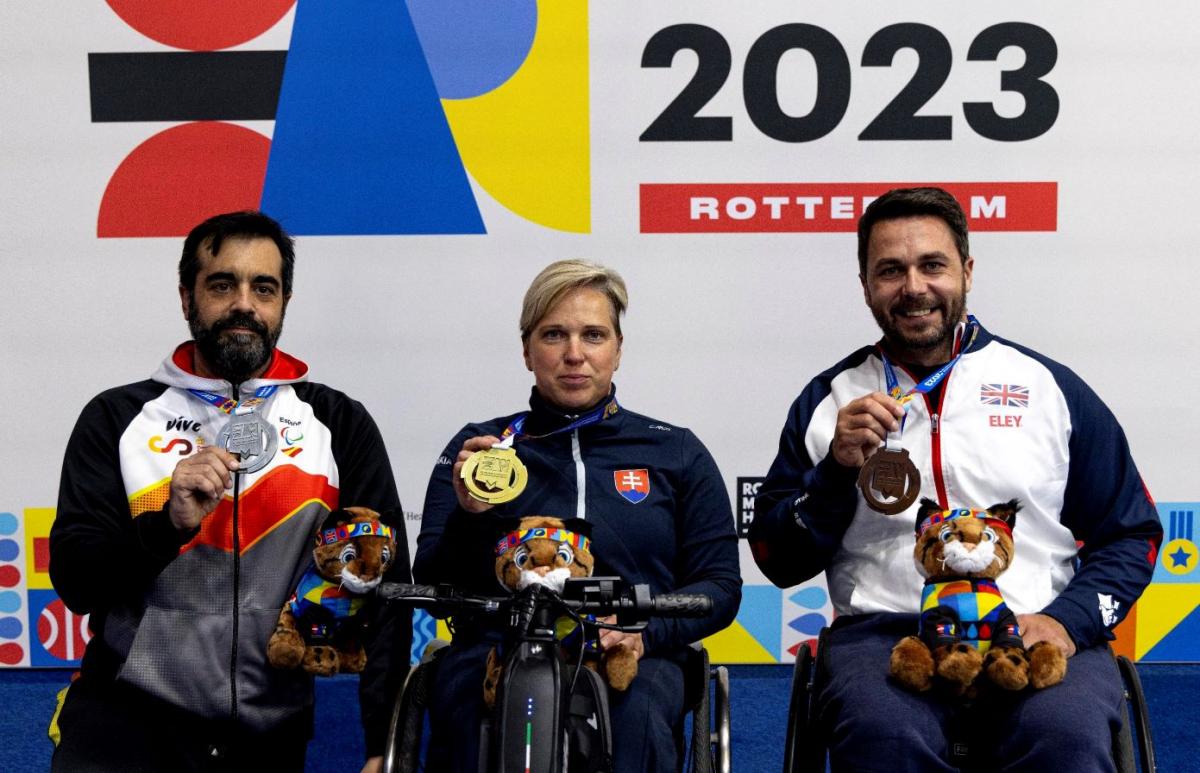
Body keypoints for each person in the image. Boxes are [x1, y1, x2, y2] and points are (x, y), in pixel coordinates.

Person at [750, 187, 1163, 772]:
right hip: (886, 639)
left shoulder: (1048, 387)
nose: (913, 287)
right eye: (890, 270)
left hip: (1030, 627)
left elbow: (1133, 534)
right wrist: (836, 472)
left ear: (967, 271)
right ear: (866, 285)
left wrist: (1066, 622)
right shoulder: (830, 401)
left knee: (1065, 735)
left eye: (933, 265)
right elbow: (776, 558)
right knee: (883, 736)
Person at [49, 211, 411, 772]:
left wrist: (383, 749)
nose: (244, 304)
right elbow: (77, 581)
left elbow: (387, 592)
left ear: (284, 302)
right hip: (124, 732)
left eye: (263, 287)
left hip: (268, 741)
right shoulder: (117, 417)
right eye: (222, 284)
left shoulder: (338, 423)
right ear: (186, 297)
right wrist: (166, 524)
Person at [414, 259, 742, 772]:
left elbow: (720, 587)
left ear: (617, 349)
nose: (574, 354)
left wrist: (645, 632)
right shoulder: (479, 453)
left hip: (636, 652)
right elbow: (431, 586)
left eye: (593, 335)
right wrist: (470, 516)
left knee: (637, 718)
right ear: (527, 350)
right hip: (498, 646)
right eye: (553, 335)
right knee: (467, 710)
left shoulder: (676, 452)